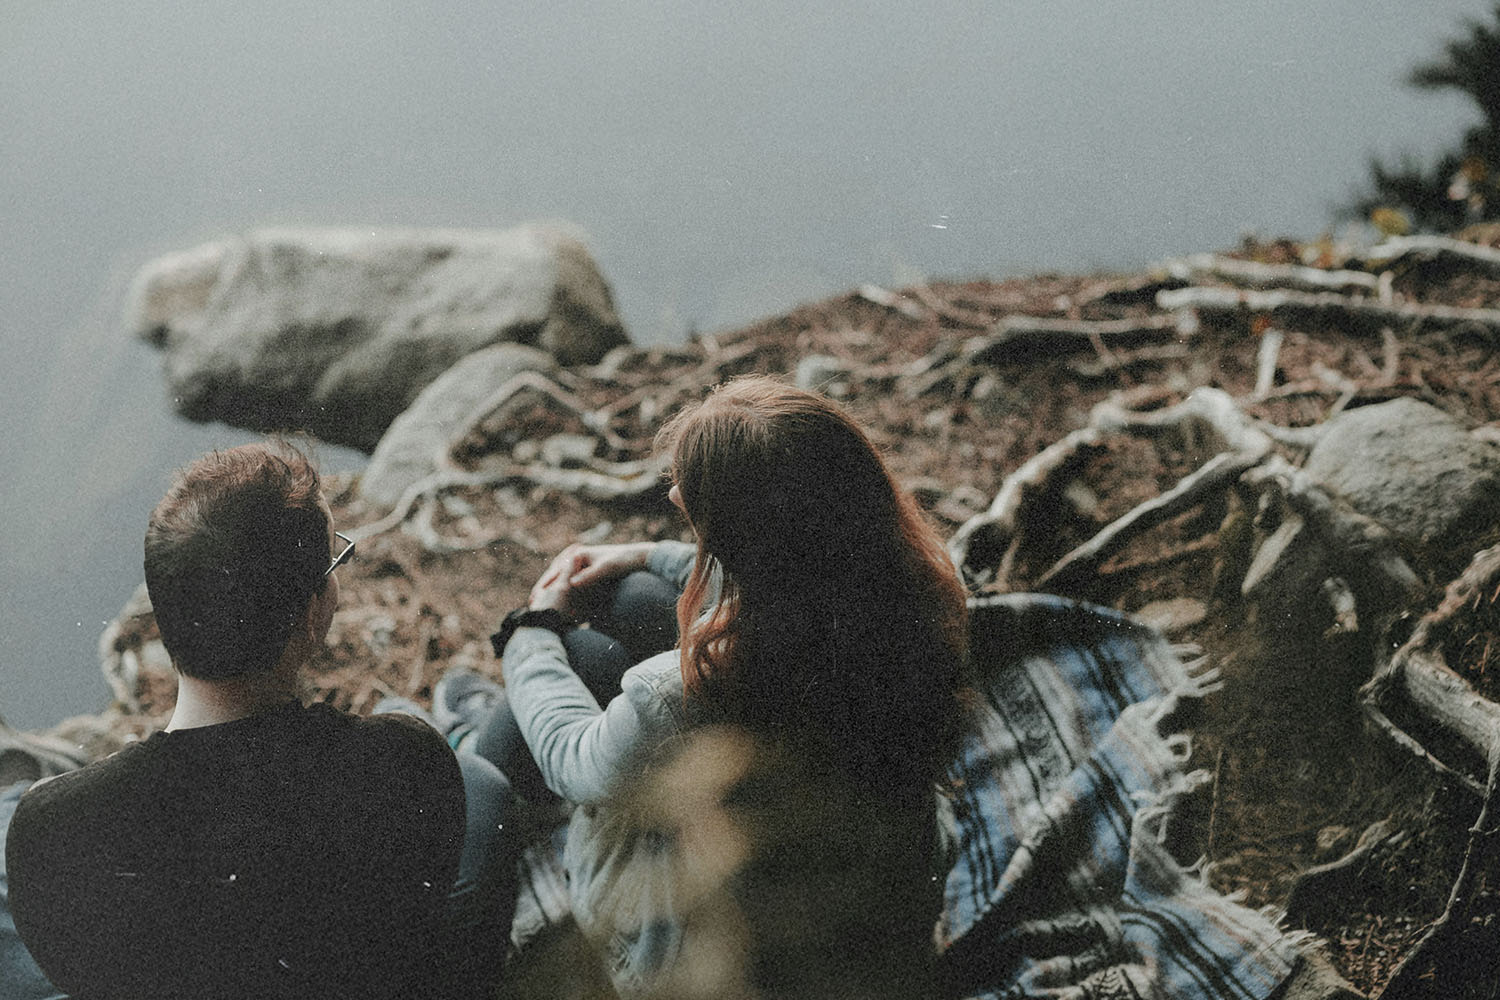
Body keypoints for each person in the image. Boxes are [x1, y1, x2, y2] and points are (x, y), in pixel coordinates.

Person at [444, 375, 971, 997]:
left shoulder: (688, 688)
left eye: (687, 489)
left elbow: (572, 759)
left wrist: (532, 629)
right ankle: (481, 728)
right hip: (876, 925)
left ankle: (468, 740)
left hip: (704, 960)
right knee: (638, 596)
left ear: (737, 534)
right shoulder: (921, 599)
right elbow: (787, 574)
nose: (672, 493)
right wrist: (643, 555)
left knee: (571, 662)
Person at [4, 442, 518, 1000]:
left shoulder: (48, 829)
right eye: (335, 562)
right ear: (310, 613)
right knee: (480, 783)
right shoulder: (404, 762)